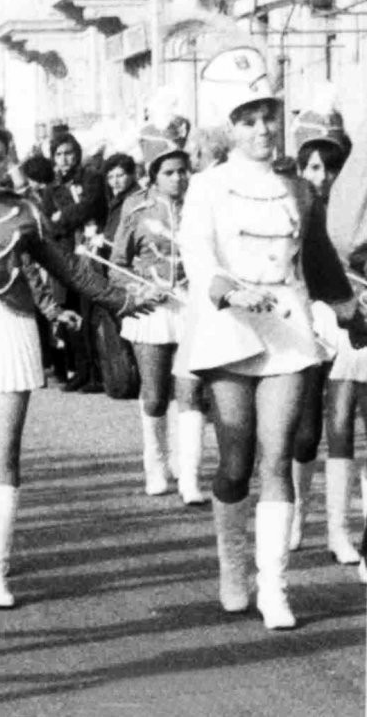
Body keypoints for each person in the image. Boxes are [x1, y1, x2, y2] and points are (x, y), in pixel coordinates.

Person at [177, 46, 367, 631]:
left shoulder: (300, 189)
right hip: (230, 325)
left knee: (277, 454)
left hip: (286, 325)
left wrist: (349, 311)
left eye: (268, 117)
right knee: (235, 460)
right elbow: (197, 254)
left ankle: (274, 586)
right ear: (229, 127)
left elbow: (319, 261)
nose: (263, 129)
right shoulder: (207, 186)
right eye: (249, 119)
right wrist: (226, 291)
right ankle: (234, 568)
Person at [0, 119, 155, 610]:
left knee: (3, 453)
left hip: (11, 330)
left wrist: (119, 299)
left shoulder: (25, 209)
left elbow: (66, 266)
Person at [110, 132, 206, 503]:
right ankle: (156, 465)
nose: (179, 178)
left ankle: (190, 476)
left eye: (183, 171)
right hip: (151, 311)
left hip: (191, 306)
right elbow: (117, 267)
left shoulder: (200, 206)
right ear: (153, 175)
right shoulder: (135, 209)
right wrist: (138, 291)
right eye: (169, 172)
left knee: (191, 391)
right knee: (153, 394)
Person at [288, 108, 359, 563]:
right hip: (303, 320)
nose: (324, 176)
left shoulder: (356, 206)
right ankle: (296, 515)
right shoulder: (290, 206)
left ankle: (338, 530)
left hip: (349, 321)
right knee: (305, 431)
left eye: (333, 167)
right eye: (314, 167)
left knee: (341, 425)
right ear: (300, 168)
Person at [42, 132, 108, 392]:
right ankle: (80, 370)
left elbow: (91, 206)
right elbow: (49, 224)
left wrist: (63, 217)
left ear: (77, 154)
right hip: (66, 257)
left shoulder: (91, 178)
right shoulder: (51, 189)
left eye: (69, 153)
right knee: (71, 313)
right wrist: (61, 219)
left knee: (91, 311)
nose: (64, 159)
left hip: (90, 253)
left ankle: (97, 373)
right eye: (58, 155)